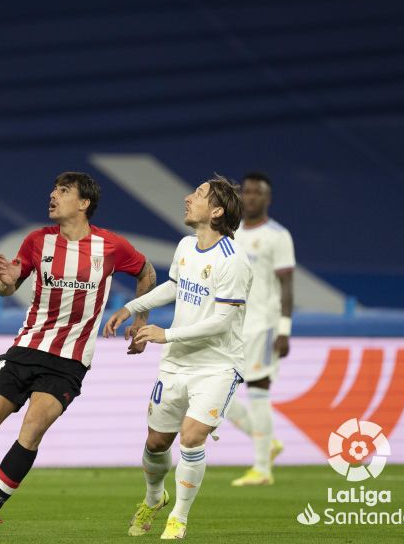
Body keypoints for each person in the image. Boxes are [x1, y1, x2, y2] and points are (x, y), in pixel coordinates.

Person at [0, 172, 156, 537]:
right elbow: (8, 288)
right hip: (26, 349)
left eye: (63, 191)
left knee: (31, 431)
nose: (53, 195)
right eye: (53, 189)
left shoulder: (110, 246)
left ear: (84, 203)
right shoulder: (37, 241)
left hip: (68, 361)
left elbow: (147, 272)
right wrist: (5, 281)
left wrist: (140, 319)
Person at [104, 175, 252, 540]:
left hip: (217, 366)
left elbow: (221, 322)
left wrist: (165, 334)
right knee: (156, 443)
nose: (188, 198)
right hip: (175, 364)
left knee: (191, 437)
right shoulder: (186, 246)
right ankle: (154, 497)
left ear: (216, 211)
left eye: (199, 194)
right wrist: (131, 307)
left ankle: (178, 518)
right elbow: (174, 286)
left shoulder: (233, 261)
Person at [224, 172, 295, 486]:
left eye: (258, 192)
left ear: (268, 198)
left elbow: (287, 285)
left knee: (258, 391)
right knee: (218, 396)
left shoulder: (278, 236)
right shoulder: (230, 233)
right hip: (231, 326)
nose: (251, 197)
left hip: (263, 325)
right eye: (247, 191)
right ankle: (268, 442)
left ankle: (262, 469)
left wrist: (284, 329)